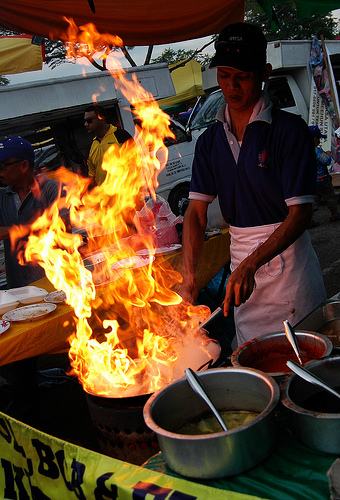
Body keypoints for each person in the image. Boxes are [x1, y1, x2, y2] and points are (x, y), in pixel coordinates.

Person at [180, 22, 326, 346]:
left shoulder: (290, 131)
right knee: (253, 368)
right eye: (224, 75)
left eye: (242, 76)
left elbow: (300, 213)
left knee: (303, 366)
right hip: (241, 274)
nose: (232, 86)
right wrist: (189, 278)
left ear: (264, 72)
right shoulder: (208, 142)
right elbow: (195, 213)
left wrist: (252, 264)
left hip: (291, 275)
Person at [0, 136, 64, 426]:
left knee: (67, 339)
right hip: (19, 289)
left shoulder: (50, 188)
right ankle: (28, 423)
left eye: (5, 164)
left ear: (24, 165)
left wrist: (13, 230)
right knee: (22, 353)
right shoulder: (3, 195)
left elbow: (59, 228)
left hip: (54, 285)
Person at [84, 104, 132, 187]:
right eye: (85, 121)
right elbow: (92, 177)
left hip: (127, 195)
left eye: (89, 120)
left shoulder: (121, 136)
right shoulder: (90, 148)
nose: (86, 124)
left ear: (101, 119)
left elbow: (137, 163)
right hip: (105, 198)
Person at [308, 125, 340, 227]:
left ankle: (309, 220)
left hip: (311, 181)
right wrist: (328, 154)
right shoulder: (317, 151)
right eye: (319, 139)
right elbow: (326, 160)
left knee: (313, 201)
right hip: (322, 180)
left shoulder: (304, 150)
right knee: (330, 197)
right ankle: (334, 215)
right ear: (314, 139)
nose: (320, 141)